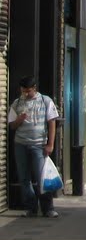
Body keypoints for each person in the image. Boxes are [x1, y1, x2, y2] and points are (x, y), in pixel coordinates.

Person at [6, 76, 60, 218]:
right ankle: (31, 208)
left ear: (34, 89)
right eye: (23, 91)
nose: (25, 94)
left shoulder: (45, 101)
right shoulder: (17, 103)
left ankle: (48, 208)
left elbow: (52, 122)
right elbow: (12, 126)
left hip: (39, 145)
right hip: (21, 144)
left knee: (42, 177)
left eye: (28, 91)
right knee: (24, 178)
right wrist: (19, 119)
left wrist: (50, 144)